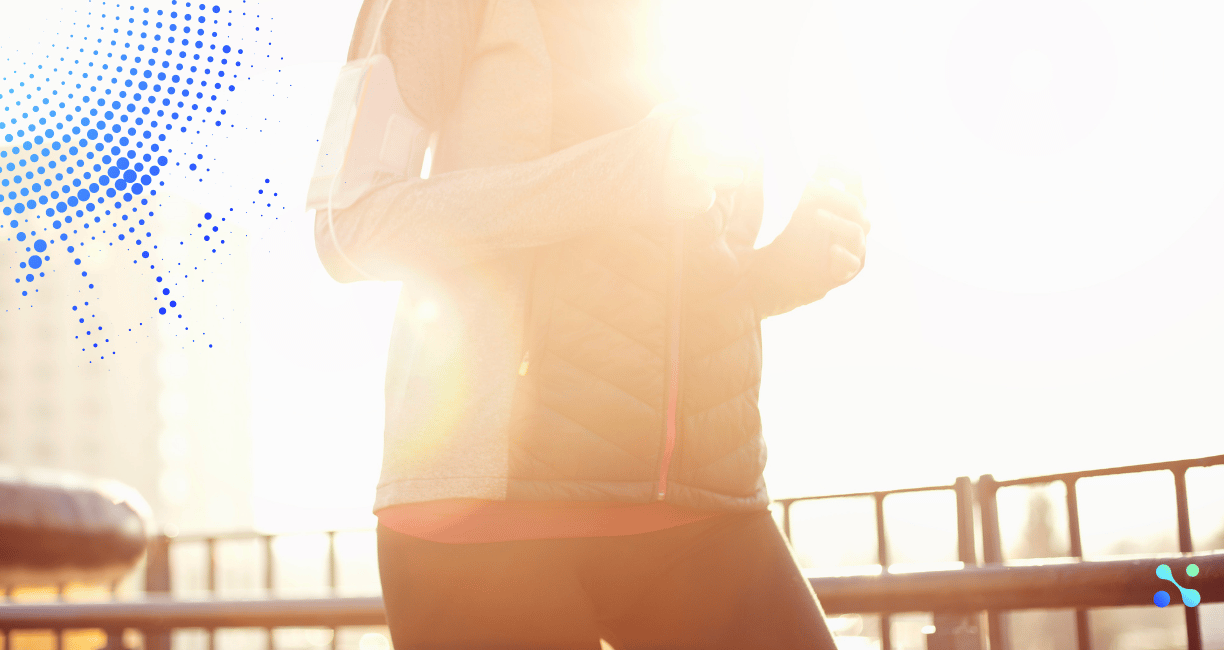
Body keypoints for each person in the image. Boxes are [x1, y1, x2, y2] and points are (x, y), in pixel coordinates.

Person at [314, 1, 870, 648]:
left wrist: (769, 279)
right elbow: (347, 227)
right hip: (486, 520)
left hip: (702, 503)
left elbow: (658, 261)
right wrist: (622, 173)